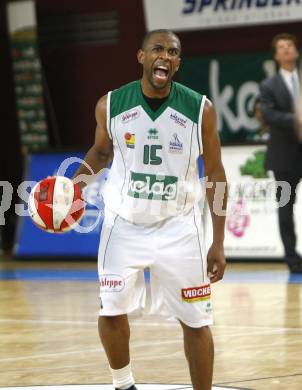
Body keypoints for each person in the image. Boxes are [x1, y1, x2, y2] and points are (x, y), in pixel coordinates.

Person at [73, 29, 227, 390]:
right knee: (111, 308)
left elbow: (216, 174)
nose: (165, 56)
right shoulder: (110, 104)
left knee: (196, 320)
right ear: (141, 57)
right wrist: (75, 187)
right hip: (123, 225)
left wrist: (218, 241)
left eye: (173, 52)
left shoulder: (200, 109)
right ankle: (123, 384)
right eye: (157, 49)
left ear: (177, 63)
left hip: (179, 226)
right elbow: (100, 151)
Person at [259, 33, 302, 273]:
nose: (286, 50)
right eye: (281, 47)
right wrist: (296, 119)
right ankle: (292, 258)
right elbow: (268, 114)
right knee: (285, 207)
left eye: (290, 46)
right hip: (284, 157)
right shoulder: (269, 85)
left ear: (296, 52)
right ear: (276, 56)